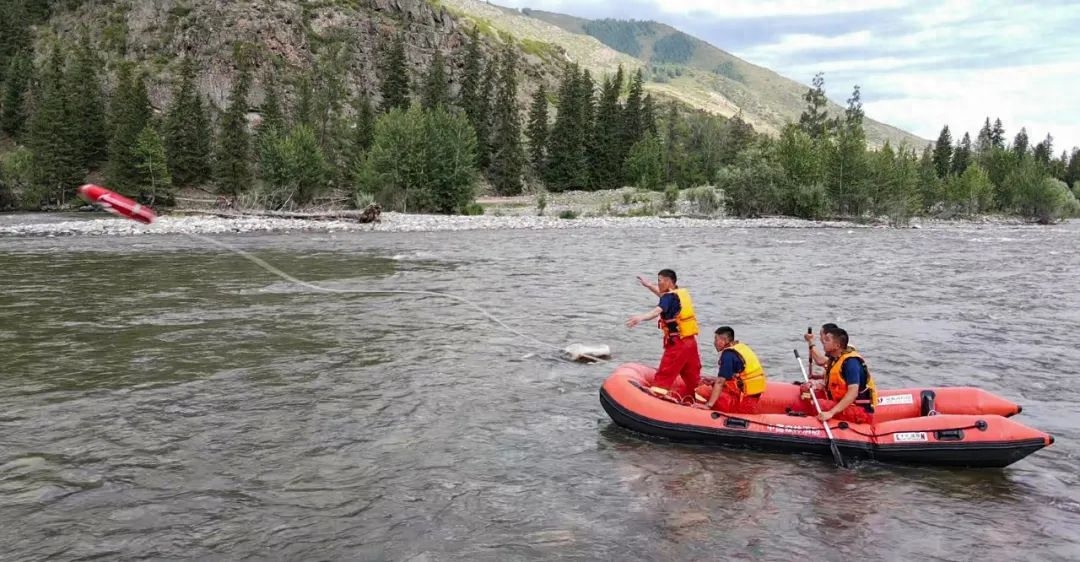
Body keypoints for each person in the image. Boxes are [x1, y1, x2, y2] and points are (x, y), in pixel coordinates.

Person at [626, 269, 701, 401]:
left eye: (659, 281)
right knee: (692, 375)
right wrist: (649, 286)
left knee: (666, 372)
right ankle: (698, 398)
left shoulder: (669, 297)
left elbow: (657, 311)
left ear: (667, 281)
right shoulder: (680, 294)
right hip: (691, 343)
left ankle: (656, 398)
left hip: (678, 344)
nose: (658, 283)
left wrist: (641, 317)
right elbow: (664, 297)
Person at [800, 326, 878, 424]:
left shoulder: (851, 363)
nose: (823, 341)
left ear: (837, 346)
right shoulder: (835, 358)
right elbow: (823, 365)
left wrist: (831, 413)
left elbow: (852, 394)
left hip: (860, 411)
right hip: (842, 404)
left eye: (827, 340)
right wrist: (817, 384)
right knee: (806, 390)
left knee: (819, 404)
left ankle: (809, 422)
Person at [694, 326, 767, 414]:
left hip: (741, 402)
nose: (714, 342)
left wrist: (708, 405)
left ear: (723, 340)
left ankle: (703, 413)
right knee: (712, 384)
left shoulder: (728, 355)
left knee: (702, 390)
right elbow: (736, 377)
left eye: (716, 339)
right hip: (751, 397)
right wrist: (713, 380)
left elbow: (720, 382)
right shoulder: (740, 347)